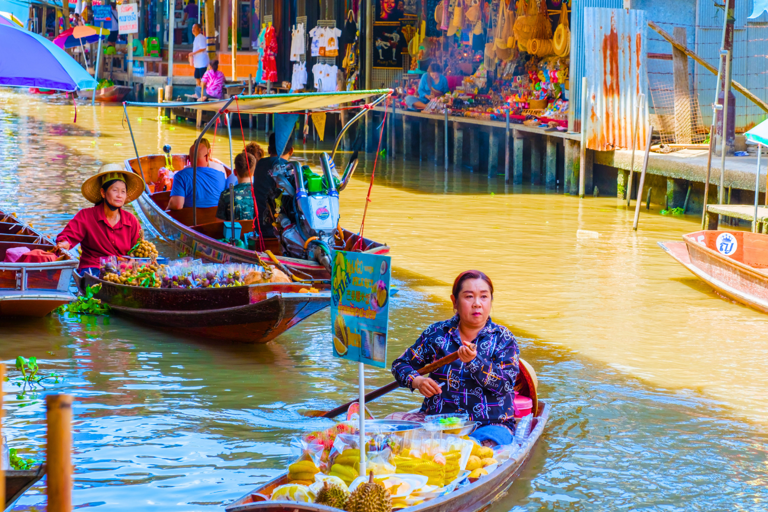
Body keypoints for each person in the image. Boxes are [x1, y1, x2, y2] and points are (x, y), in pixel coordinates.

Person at [391, 270, 520, 447]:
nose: (477, 304)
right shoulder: (437, 334)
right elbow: (400, 364)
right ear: (454, 301)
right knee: (391, 432)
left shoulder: (503, 338)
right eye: (469, 297)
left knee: (474, 451)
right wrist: (418, 381)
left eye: (484, 297)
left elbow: (505, 384)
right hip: (437, 424)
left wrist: (474, 363)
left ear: (491, 300)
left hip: (488, 425)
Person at [56, 164, 146, 274]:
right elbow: (67, 237)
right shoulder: (86, 216)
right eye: (115, 190)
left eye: (123, 191)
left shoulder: (131, 220)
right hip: (93, 269)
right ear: (103, 193)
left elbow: (139, 251)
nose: (119, 195)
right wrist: (64, 243)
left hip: (123, 271)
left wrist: (131, 265)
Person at [252, 133, 293, 237]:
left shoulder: (260, 164)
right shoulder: (290, 169)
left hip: (260, 227)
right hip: (283, 231)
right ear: (291, 151)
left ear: (269, 150)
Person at [168, 139, 226, 210]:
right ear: (207, 157)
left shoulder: (180, 176)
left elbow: (177, 205)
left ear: (188, 159)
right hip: (217, 220)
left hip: (191, 220)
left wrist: (166, 209)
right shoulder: (221, 175)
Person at [217, 152, 256, 221]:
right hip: (255, 231)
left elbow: (219, 223)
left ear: (235, 172)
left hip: (234, 231)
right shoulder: (261, 193)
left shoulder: (226, 194)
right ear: (253, 173)